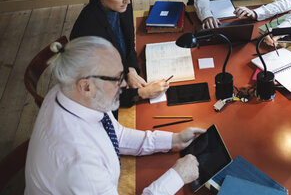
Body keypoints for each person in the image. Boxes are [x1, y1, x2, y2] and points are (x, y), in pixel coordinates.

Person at [25, 36, 205, 194]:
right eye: (117, 79)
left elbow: (117, 135)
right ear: (86, 86)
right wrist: (177, 177)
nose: (125, 84)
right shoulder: (80, 164)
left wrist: (174, 140)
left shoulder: (71, 93)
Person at [71, 0, 166, 109]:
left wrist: (130, 69)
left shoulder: (122, 5)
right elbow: (95, 94)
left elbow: (128, 44)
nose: (128, 0)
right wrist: (142, 93)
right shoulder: (87, 33)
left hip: (123, 81)